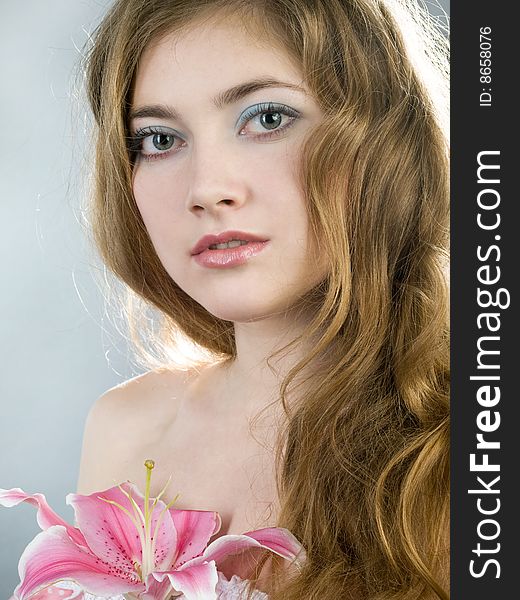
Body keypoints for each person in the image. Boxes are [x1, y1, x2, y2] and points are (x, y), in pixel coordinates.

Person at [77, 0, 450, 598]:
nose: (207, 189)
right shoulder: (126, 431)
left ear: (385, 142)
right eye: (159, 138)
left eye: (268, 117)